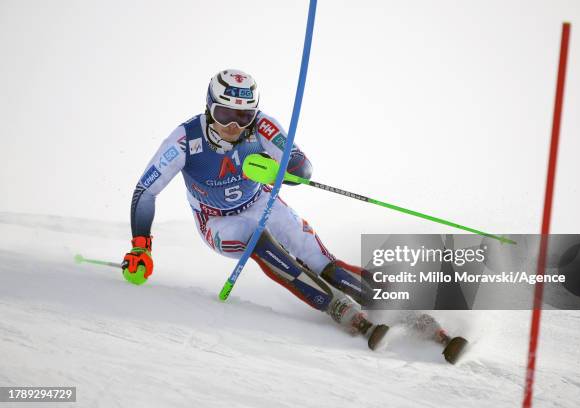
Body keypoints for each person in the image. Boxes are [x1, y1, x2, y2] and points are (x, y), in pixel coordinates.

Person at [122, 69, 391, 349]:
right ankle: (339, 309)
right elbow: (146, 190)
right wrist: (141, 246)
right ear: (209, 107)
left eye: (243, 116)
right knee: (256, 237)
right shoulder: (184, 139)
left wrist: (278, 170)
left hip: (260, 202)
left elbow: (302, 167)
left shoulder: (262, 126)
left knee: (315, 256)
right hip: (216, 222)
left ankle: (395, 306)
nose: (234, 126)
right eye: (225, 114)